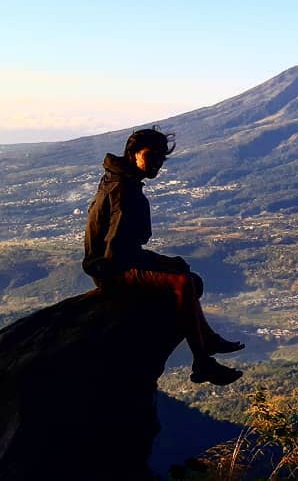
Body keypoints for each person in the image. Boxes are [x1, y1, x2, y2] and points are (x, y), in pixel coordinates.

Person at [83, 127, 244, 385]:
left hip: (115, 261)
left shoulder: (124, 181)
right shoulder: (122, 190)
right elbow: (117, 252)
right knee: (183, 282)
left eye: (161, 158)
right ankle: (203, 360)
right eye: (151, 156)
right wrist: (158, 262)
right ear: (133, 153)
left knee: (183, 271)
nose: (157, 163)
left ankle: (208, 339)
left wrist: (162, 261)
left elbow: (124, 246)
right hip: (111, 269)